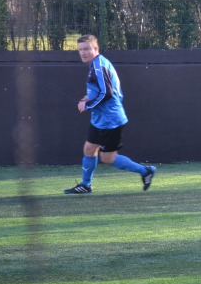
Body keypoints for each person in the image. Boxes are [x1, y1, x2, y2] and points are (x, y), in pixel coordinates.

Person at [63, 34, 156, 194]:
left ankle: (145, 171)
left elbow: (108, 92)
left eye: (86, 49)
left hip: (110, 120)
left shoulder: (99, 65)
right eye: (80, 50)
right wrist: (89, 98)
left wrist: (88, 104)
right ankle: (86, 185)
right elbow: (105, 90)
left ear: (96, 49)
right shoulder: (97, 64)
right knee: (89, 149)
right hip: (100, 118)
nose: (83, 53)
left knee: (108, 158)